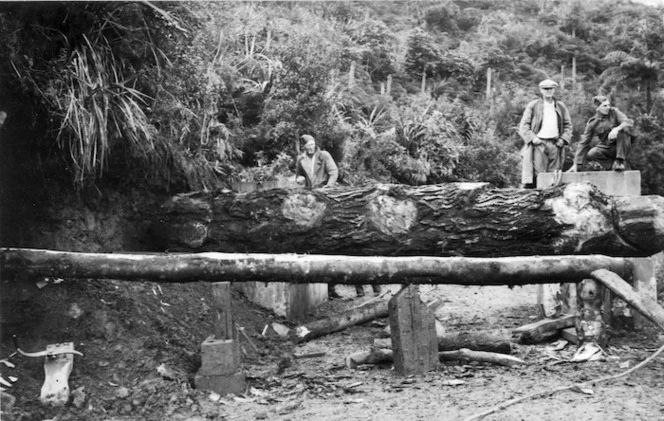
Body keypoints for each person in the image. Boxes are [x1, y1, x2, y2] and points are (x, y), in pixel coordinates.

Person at [295, 134, 345, 299]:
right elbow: (298, 176)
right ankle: (326, 287)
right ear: (303, 147)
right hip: (311, 199)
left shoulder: (324, 155)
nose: (311, 146)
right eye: (308, 145)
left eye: (312, 143)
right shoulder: (300, 159)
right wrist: (300, 179)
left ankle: (334, 286)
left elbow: (333, 172)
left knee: (332, 238)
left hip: (326, 196)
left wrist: (328, 188)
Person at [518, 79, 573, 188]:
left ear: (554, 90)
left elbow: (568, 125)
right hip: (539, 144)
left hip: (555, 144)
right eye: (545, 89)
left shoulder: (560, 106)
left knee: (555, 175)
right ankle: (538, 197)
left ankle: (551, 200)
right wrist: (533, 138)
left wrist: (563, 139)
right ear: (541, 90)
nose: (548, 91)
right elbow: (524, 125)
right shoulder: (533, 105)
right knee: (540, 174)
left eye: (551, 89)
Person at [567, 95, 634, 172]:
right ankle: (612, 166)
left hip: (622, 146)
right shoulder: (593, 123)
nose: (608, 107)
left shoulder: (614, 113)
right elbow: (584, 143)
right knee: (592, 153)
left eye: (608, 105)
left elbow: (628, 122)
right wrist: (576, 163)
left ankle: (619, 161)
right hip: (607, 147)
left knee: (622, 132)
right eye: (604, 106)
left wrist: (616, 129)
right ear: (597, 108)